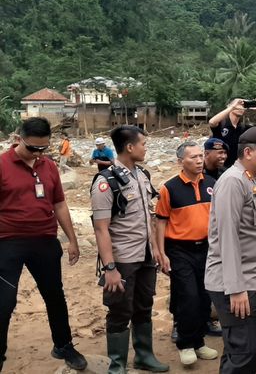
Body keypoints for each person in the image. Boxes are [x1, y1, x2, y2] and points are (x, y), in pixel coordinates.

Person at [0, 118, 87, 372]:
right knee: (4, 302)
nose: (38, 154)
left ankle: (63, 345)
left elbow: (59, 203)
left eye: (43, 149)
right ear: (19, 139)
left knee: (54, 295)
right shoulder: (2, 165)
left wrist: (72, 239)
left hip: (44, 241)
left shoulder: (48, 166)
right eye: (32, 149)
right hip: (8, 242)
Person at [204, 126, 256, 373]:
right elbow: (227, 237)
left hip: (250, 280)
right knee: (242, 353)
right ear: (248, 152)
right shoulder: (232, 181)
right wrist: (236, 288)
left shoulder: (250, 179)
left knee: (239, 350)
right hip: (239, 285)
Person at [91, 125, 167, 373]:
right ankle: (117, 364)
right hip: (122, 258)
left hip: (145, 255)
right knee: (120, 310)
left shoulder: (142, 175)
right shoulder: (105, 182)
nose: (146, 148)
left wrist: (155, 248)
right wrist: (110, 267)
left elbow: (149, 218)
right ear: (130, 147)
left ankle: (144, 355)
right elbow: (101, 229)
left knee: (144, 306)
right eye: (143, 144)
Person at [154, 142, 219, 366]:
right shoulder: (169, 188)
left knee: (203, 297)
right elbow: (160, 222)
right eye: (193, 157)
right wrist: (161, 252)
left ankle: (199, 342)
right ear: (181, 161)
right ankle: (185, 344)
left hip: (207, 250)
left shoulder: (212, 184)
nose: (199, 160)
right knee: (187, 297)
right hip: (180, 250)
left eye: (201, 156)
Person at [209, 98, 256, 168]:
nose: (240, 107)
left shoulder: (243, 128)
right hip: (220, 167)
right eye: (238, 104)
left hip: (237, 167)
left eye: (243, 105)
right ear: (229, 106)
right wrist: (232, 107)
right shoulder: (221, 124)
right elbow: (212, 122)